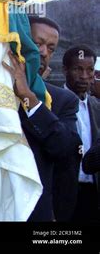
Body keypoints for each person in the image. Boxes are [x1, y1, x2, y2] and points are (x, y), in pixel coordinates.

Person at [3, 16, 82, 221]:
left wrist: (29, 98)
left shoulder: (62, 100)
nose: (43, 53)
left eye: (51, 48)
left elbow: (65, 149)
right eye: (36, 44)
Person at [63, 45, 100, 221]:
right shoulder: (52, 103)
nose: (85, 76)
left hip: (93, 193)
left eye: (90, 70)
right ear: (65, 70)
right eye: (78, 69)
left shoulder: (97, 107)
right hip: (63, 191)